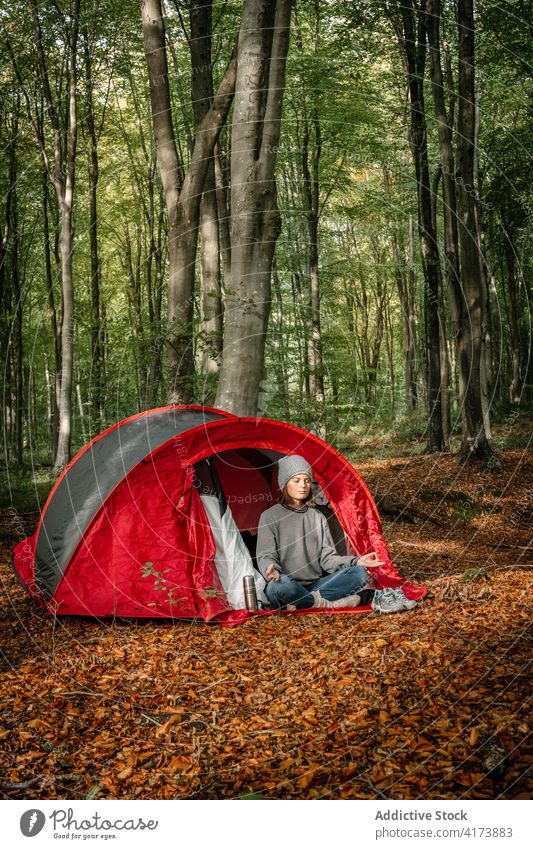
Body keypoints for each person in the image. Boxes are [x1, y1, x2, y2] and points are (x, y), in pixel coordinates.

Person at [256, 455, 416, 613]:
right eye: (296, 480)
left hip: (317, 585)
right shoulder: (269, 516)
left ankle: (303, 603)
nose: (303, 485)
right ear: (284, 484)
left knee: (359, 574)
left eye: (306, 480)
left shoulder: (317, 517)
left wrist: (357, 560)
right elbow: (265, 555)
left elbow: (327, 559)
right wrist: (272, 571)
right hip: (286, 583)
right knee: (278, 587)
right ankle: (325, 603)